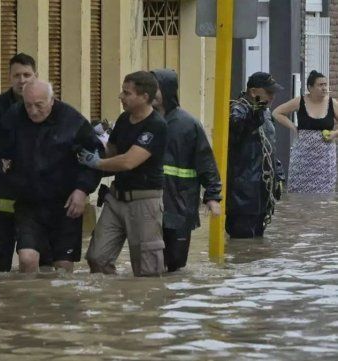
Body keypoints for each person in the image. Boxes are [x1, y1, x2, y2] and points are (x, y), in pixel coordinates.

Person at [0, 79, 103, 273]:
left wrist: (82, 190)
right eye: (28, 105)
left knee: (62, 268)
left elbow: (95, 159)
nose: (32, 111)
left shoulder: (72, 120)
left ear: (52, 100)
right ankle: (29, 302)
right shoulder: (14, 117)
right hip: (29, 203)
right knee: (27, 258)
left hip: (66, 204)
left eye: (39, 105)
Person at [79, 71, 167, 276]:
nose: (121, 96)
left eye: (127, 93)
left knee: (147, 271)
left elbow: (128, 161)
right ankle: (116, 301)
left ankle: (142, 305)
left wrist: (97, 163)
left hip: (144, 203)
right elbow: (113, 151)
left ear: (144, 97)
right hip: (116, 199)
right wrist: (94, 144)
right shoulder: (124, 119)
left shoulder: (156, 125)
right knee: (96, 258)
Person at [151, 69, 222, 272]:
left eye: (155, 88)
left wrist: (213, 196)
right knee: (150, 262)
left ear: (167, 90)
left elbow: (206, 161)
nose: (150, 93)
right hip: (148, 202)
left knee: (175, 262)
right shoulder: (142, 120)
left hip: (180, 204)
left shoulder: (188, 124)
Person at [0, 53, 37, 272]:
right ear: (9, 77)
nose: (22, 80)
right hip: (1, 194)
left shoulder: (48, 105)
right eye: (17, 75)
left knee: (35, 261)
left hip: (35, 198)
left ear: (35, 76)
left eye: (27, 75)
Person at [226, 72, 285, 239]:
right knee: (242, 242)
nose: (272, 97)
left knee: (257, 245)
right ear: (253, 92)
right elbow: (236, 130)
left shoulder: (265, 113)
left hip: (262, 192)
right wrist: (254, 115)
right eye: (268, 92)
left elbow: (269, 146)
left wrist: (279, 175)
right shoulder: (237, 109)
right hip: (243, 192)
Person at [272, 70, 338, 193]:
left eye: (325, 84)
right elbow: (277, 112)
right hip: (303, 156)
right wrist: (293, 127)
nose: (324, 88)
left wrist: (334, 133)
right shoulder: (299, 101)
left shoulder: (332, 103)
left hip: (325, 159)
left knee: (324, 194)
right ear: (310, 87)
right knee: (298, 193)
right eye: (320, 85)